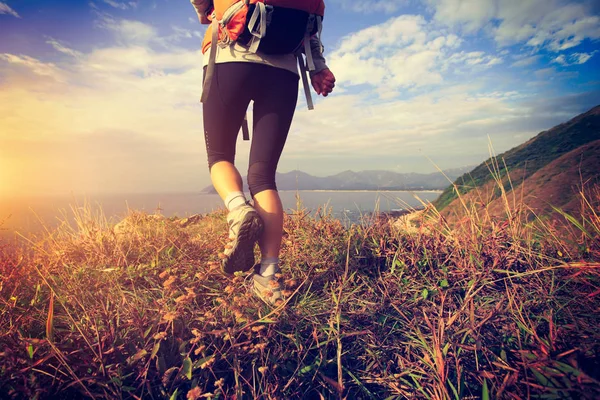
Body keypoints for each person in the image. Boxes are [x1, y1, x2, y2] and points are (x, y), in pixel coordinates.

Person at [191, 0, 336, 305]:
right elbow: (312, 31)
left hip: (230, 57)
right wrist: (319, 69)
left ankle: (239, 208)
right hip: (284, 72)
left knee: (219, 156)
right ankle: (269, 277)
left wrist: (204, 10)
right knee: (263, 176)